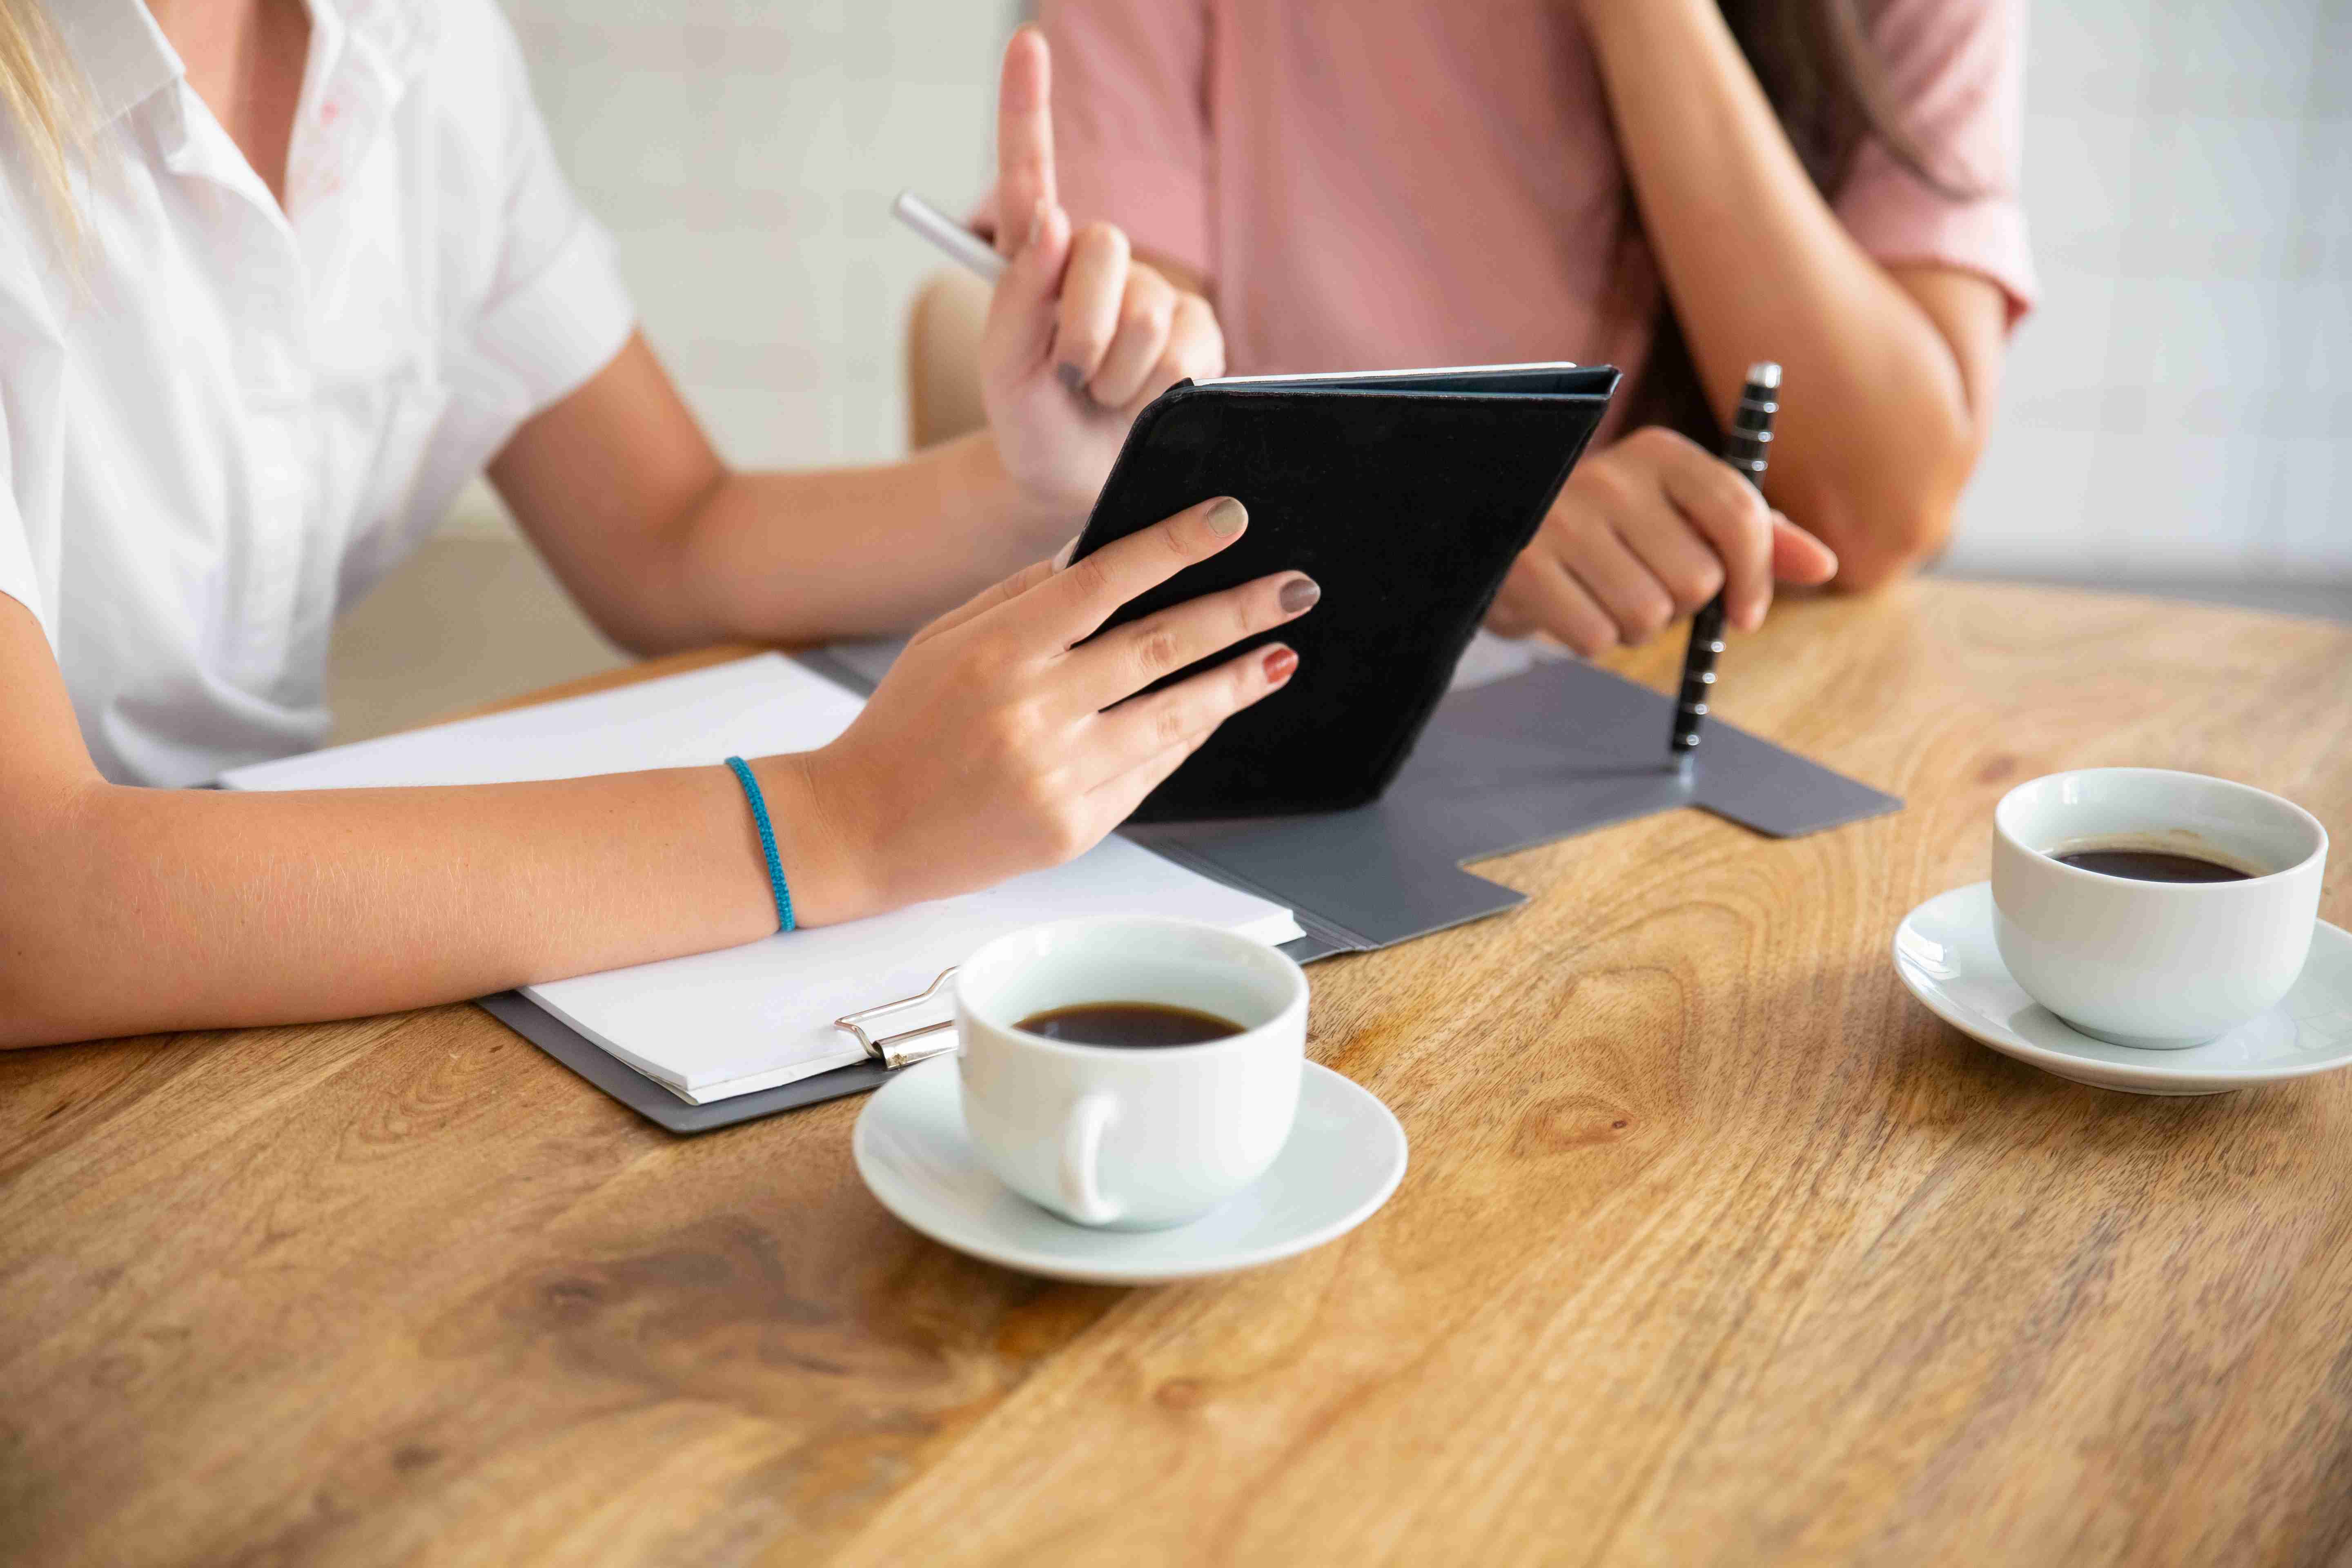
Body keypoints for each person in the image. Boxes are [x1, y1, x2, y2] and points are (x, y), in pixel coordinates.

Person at [0, 14, 1316, 1049]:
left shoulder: (413, 46)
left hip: (229, 1001)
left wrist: (1037, 481)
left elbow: (667, 537)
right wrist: (834, 824)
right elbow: (34, 900)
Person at [1029, 0, 2036, 658]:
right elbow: (1138, 445)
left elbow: (1874, 511)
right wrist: (1466, 527)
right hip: (1301, 685)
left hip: (1738, 688)